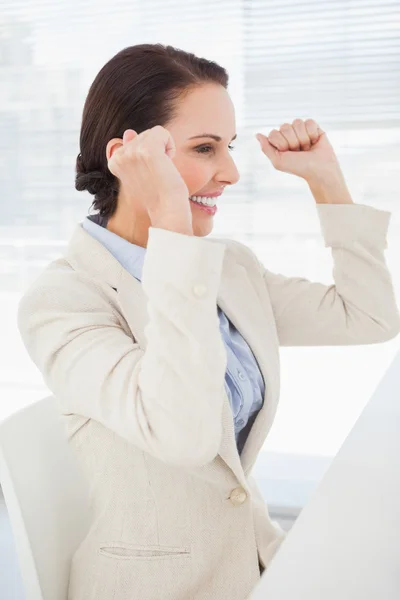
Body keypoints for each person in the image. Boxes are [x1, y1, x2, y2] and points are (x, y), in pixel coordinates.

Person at [17, 43, 400, 600]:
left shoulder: (228, 267)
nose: (231, 172)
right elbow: (186, 436)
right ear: (131, 154)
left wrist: (326, 183)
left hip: (260, 567)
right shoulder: (63, 300)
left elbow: (366, 316)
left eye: (229, 147)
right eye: (205, 148)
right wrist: (170, 220)